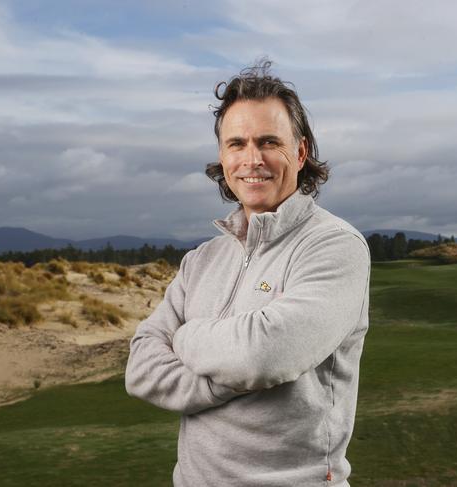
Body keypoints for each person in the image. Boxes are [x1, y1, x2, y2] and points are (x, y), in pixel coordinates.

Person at [125, 60, 370, 487]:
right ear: (222, 157)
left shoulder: (335, 246)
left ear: (299, 152)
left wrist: (184, 338)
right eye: (236, 143)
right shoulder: (201, 259)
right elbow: (141, 368)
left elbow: (263, 355)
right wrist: (231, 372)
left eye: (269, 141)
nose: (251, 159)